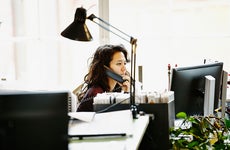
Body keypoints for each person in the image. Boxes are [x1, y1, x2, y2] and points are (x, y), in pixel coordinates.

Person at [76, 44, 131, 112]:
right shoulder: (96, 92)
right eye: (119, 64)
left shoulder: (116, 89)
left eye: (124, 63)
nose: (124, 69)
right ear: (105, 69)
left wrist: (126, 92)